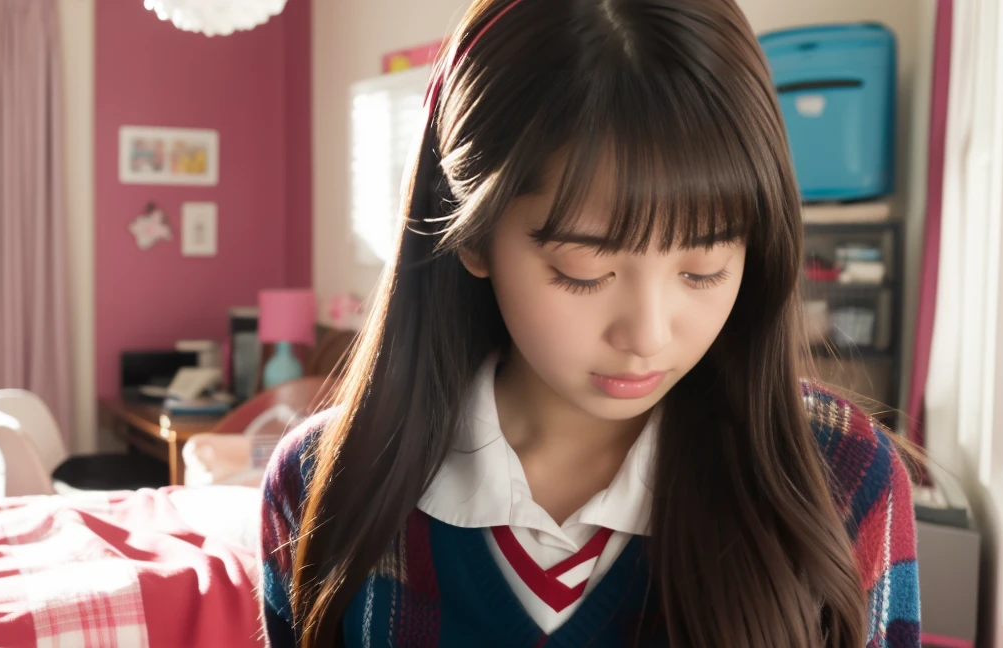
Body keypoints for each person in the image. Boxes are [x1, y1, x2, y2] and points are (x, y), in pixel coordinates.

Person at [260, 0, 921, 645]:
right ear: (474, 237)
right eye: (584, 270)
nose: (648, 335)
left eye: (703, 269)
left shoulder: (840, 474)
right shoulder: (324, 480)